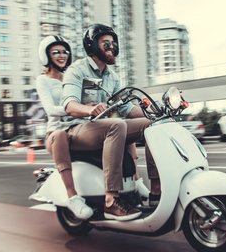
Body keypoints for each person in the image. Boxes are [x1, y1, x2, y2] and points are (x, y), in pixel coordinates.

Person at [60, 23, 160, 221]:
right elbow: (68, 105)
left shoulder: (112, 77)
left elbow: (126, 109)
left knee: (151, 125)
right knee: (117, 124)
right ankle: (111, 200)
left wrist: (153, 111)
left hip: (100, 127)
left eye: (113, 43)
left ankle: (156, 190)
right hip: (76, 129)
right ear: (93, 45)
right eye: (106, 43)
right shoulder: (77, 70)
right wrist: (88, 109)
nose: (112, 47)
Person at [35, 35, 93, 220]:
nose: (62, 55)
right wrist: (79, 110)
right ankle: (72, 196)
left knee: (117, 127)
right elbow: (50, 109)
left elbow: (86, 101)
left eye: (64, 51)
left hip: (78, 129)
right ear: (46, 56)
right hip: (55, 133)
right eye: (56, 52)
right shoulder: (43, 80)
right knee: (60, 134)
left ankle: (134, 185)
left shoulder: (73, 77)